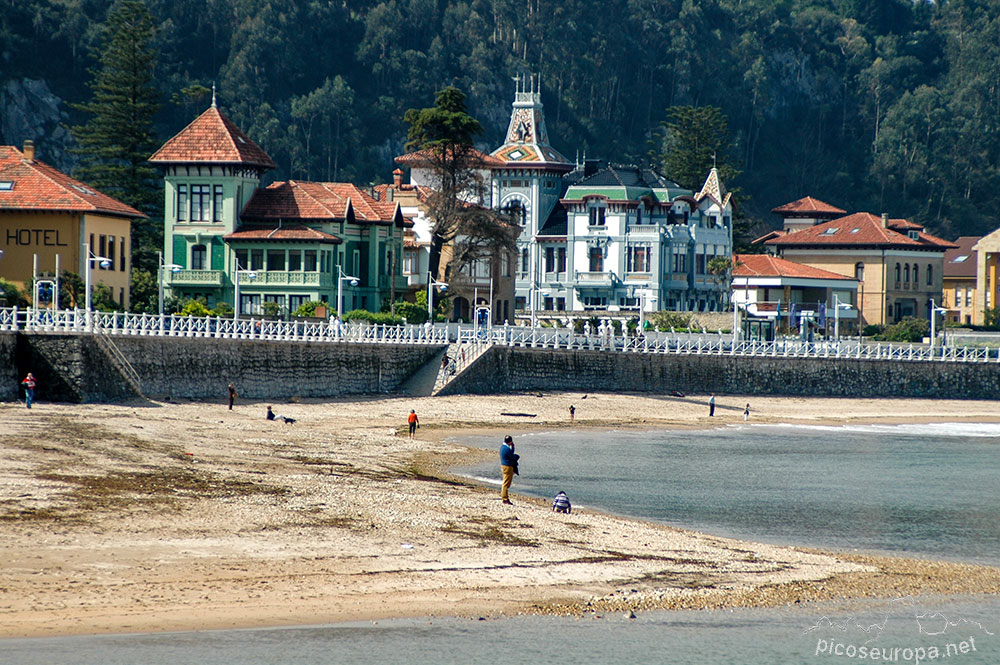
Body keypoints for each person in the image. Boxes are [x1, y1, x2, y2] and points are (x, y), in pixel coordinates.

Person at [499, 434, 519, 505]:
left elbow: (511, 453)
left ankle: (505, 497)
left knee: (506, 482)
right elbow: (512, 456)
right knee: (506, 483)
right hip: (507, 467)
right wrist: (517, 456)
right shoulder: (506, 449)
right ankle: (505, 498)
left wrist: (512, 447)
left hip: (504, 466)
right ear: (510, 441)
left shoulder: (503, 447)